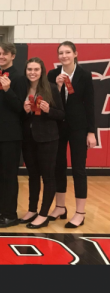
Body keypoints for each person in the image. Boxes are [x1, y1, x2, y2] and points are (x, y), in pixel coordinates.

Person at [47, 41, 97, 228]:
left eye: (68, 52)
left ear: (75, 54)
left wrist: (91, 132)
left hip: (78, 128)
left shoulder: (84, 75)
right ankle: (60, 207)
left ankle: (80, 212)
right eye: (61, 53)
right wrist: (57, 87)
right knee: (58, 167)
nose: (64, 56)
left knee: (78, 169)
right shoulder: (52, 74)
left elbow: (90, 104)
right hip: (58, 127)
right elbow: (50, 102)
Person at [16, 58, 65, 229]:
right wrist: (24, 110)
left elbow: (61, 114)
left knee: (48, 176)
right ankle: (32, 210)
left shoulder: (50, 88)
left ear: (42, 71)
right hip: (28, 139)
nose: (32, 72)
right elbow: (20, 116)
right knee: (33, 176)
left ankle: (43, 214)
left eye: (36, 69)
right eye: (29, 69)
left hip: (48, 139)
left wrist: (48, 110)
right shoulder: (23, 89)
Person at [0, 42, 23, 228]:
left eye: (5, 54)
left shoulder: (19, 78)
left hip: (11, 136)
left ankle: (11, 215)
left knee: (9, 176)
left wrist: (8, 91)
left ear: (13, 56)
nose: (1, 56)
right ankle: (2, 209)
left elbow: (20, 108)